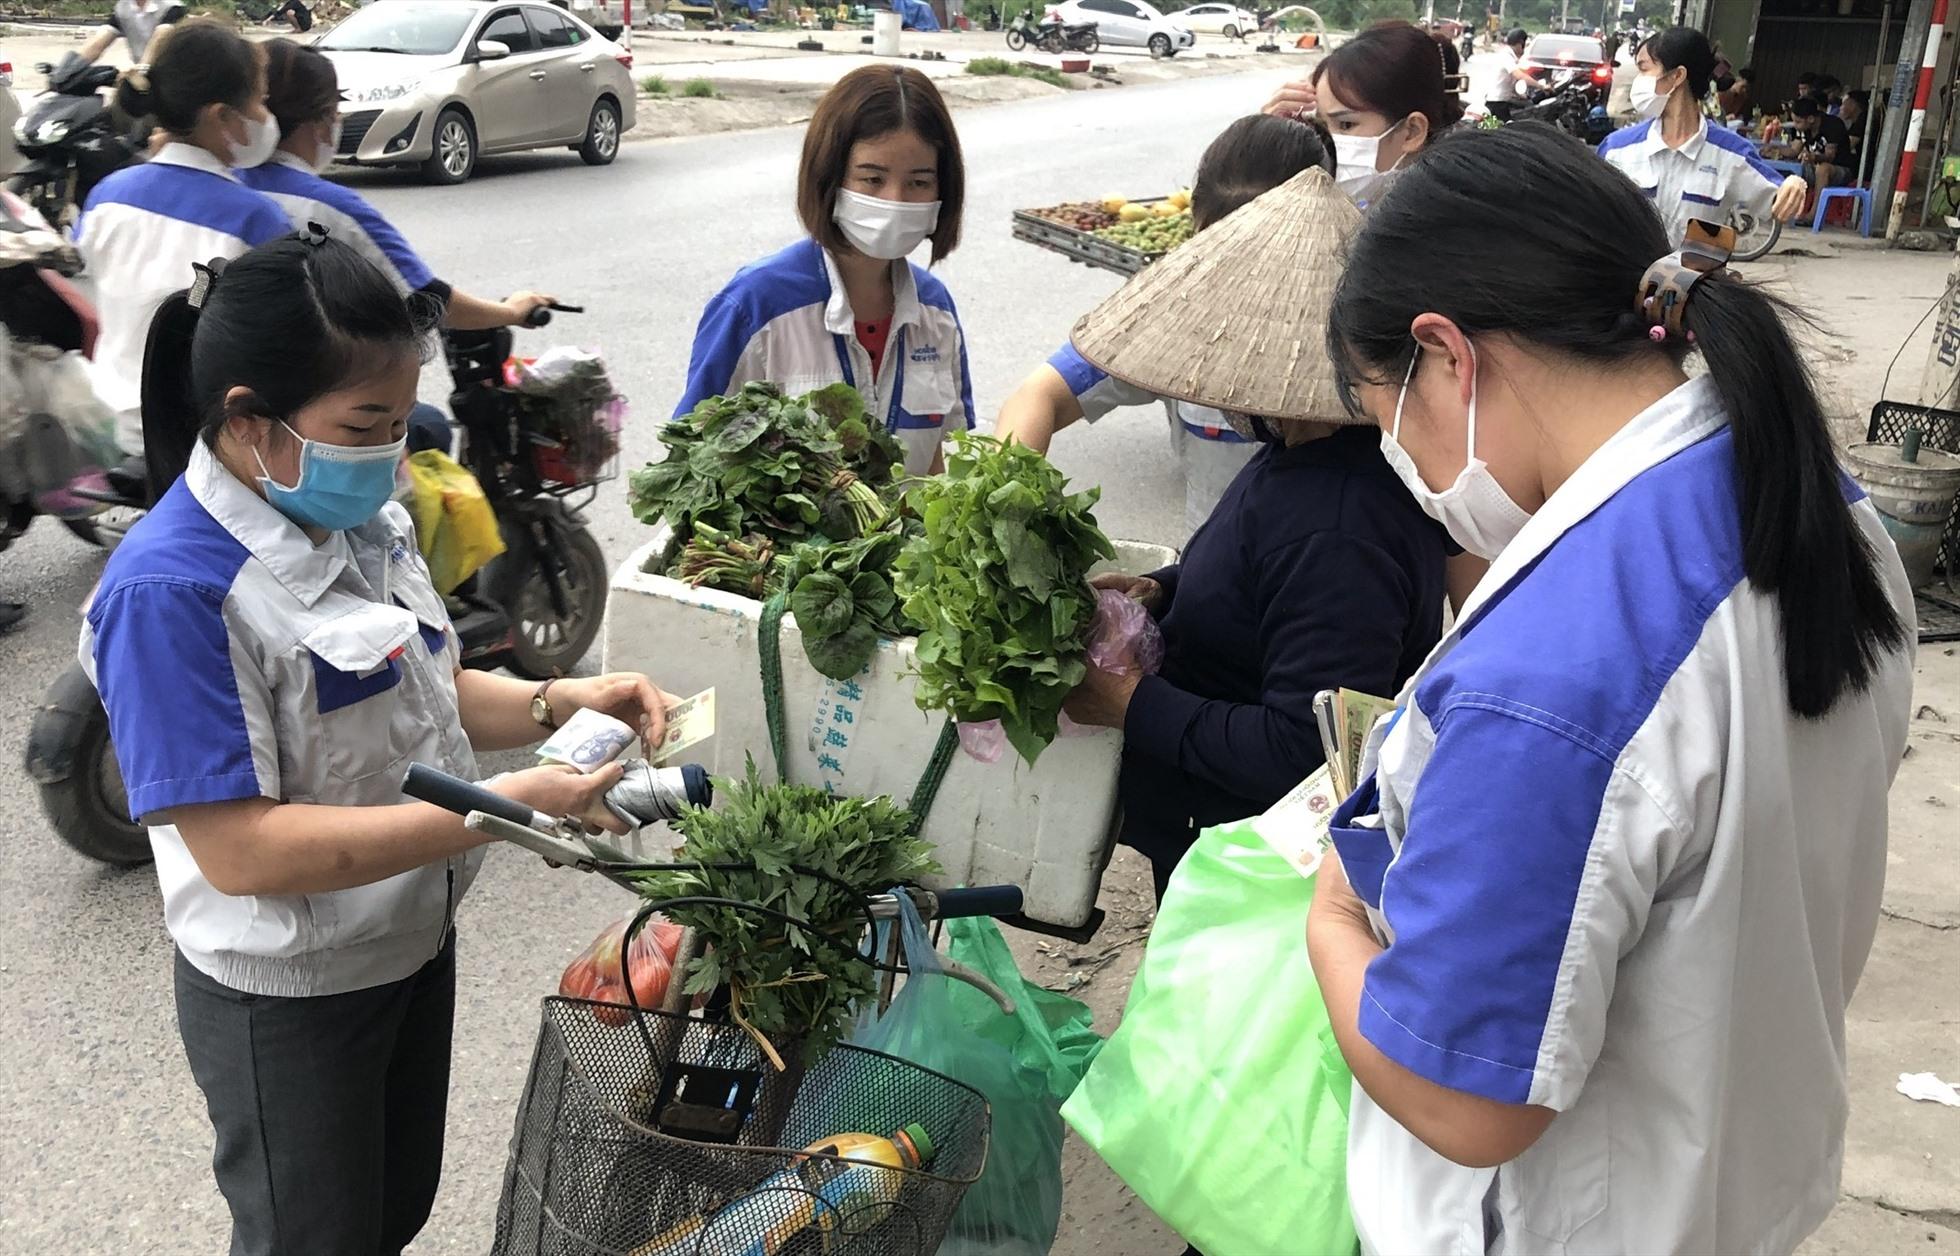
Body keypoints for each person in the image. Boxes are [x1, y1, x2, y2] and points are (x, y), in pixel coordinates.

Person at [1311, 124, 1913, 1255]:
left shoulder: (1551, 671)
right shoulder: (1806, 492)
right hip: (1740, 1180)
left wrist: (1331, 920)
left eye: (1390, 412)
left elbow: (1468, 1099)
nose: (1412, 464)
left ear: (1448, 355)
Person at [82, 233, 678, 1255]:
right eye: (366, 424)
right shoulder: (173, 593)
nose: (391, 453)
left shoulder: (357, 521)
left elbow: (424, 690)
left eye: (401, 420)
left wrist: (556, 699)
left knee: (388, 1211)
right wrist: (500, 805)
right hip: (292, 994)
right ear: (248, 418)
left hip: (406, 946)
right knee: (310, 1238)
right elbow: (243, 849)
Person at [1060, 168, 1450, 904]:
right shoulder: (1305, 451)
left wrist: (1131, 705)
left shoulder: (1341, 524)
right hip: (1215, 841)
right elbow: (1267, 589)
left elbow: (1303, 752)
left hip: (1256, 874)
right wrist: (1164, 591)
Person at [994, 114, 1336, 537]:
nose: (1243, 277)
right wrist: (1000, 504)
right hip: (1212, 569)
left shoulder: (1365, 332)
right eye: (1222, 251)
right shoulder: (1173, 319)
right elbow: (1039, 395)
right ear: (1195, 230)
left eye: (1266, 255)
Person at [241, 40, 559, 452]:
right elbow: (428, 300)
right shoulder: (331, 207)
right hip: (294, 411)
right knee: (426, 427)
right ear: (321, 121)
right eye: (334, 115)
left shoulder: (219, 183)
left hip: (205, 394)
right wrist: (512, 311)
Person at [677, 66, 972, 477]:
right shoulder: (754, 306)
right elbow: (693, 462)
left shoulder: (936, 311)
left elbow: (950, 457)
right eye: (872, 178)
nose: (895, 200)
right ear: (829, 177)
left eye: (919, 183)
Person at [76, 22, 289, 463]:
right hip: (196, 441)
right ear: (221, 116)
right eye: (260, 101)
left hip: (109, 424)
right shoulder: (255, 218)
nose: (266, 117)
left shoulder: (106, 195)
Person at [1599, 27, 1806, 246]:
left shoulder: (1730, 154)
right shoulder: (1616, 149)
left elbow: (1780, 202)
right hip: (1625, 278)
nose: (1638, 81)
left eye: (1644, 69)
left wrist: (1795, 185)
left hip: (1693, 279)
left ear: (1677, 75)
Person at [1264, 21, 1462, 211]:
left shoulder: (1449, 226)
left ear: (1412, 132)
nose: (1323, 143)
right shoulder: (1350, 207)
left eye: (1346, 124)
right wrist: (1266, 145)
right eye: (1320, 124)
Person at [1778, 97, 1855, 190]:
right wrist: (1776, 150)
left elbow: (1829, 157)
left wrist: (1813, 157)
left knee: (1823, 169)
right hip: (1814, 167)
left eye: (1798, 122)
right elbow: (1794, 150)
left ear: (1811, 119)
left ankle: (1817, 204)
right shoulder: (1804, 128)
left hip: (1840, 169)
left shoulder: (1833, 125)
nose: (1795, 125)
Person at [77, 0, 186, 65]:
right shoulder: (123, 7)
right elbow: (98, 42)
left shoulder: (172, 7)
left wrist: (143, 67)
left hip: (173, 74)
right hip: (141, 76)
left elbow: (160, 38)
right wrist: (72, 66)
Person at [1486, 27, 1533, 117]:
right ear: (1520, 44)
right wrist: (1541, 86)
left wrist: (1519, 95)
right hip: (1497, 103)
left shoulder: (1510, 56)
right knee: (1506, 128)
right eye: (1525, 45)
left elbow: (1509, 82)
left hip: (1502, 101)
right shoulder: (1506, 56)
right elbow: (1519, 75)